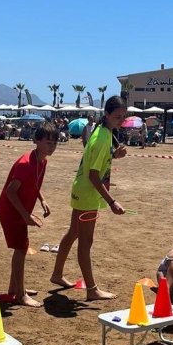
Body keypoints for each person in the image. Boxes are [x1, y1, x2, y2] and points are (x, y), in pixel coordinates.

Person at [50, 95, 127, 300]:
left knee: (73, 233)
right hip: (88, 196)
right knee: (86, 241)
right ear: (107, 115)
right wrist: (111, 201)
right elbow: (94, 175)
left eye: (123, 117)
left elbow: (94, 161)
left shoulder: (103, 132)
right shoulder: (103, 137)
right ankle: (92, 289)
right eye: (117, 116)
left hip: (82, 191)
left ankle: (57, 274)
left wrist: (114, 155)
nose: (121, 120)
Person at [0, 122, 59, 307]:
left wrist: (42, 200)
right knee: (21, 249)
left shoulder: (42, 161)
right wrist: (25, 215)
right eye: (48, 142)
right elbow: (10, 191)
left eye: (54, 142)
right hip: (11, 211)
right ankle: (20, 295)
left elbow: (34, 184)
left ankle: (15, 289)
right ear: (37, 141)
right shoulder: (25, 163)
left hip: (19, 211)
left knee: (20, 248)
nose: (52, 146)